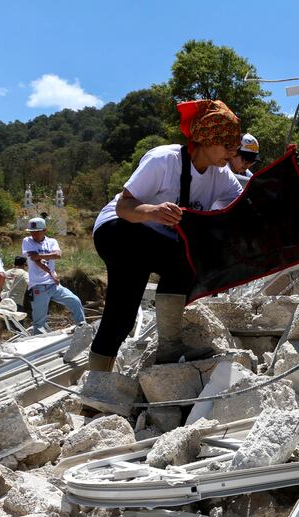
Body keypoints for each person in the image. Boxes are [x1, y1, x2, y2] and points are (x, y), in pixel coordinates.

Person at [88, 99, 243, 371]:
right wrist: (152, 211)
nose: (232, 153)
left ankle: (96, 388)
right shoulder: (164, 160)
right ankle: (170, 348)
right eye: (227, 145)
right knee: (182, 259)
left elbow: (243, 205)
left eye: (235, 146)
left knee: (121, 316)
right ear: (207, 138)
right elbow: (124, 206)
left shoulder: (222, 176)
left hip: (154, 242)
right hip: (118, 231)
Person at [22, 217, 85, 333]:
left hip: (53, 284)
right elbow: (35, 260)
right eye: (32, 232)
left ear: (44, 230)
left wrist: (40, 255)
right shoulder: (27, 241)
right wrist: (50, 272)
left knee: (75, 301)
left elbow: (57, 255)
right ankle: (38, 344)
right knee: (39, 321)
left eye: (37, 232)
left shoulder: (51, 241)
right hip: (38, 286)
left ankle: (82, 328)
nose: (33, 234)